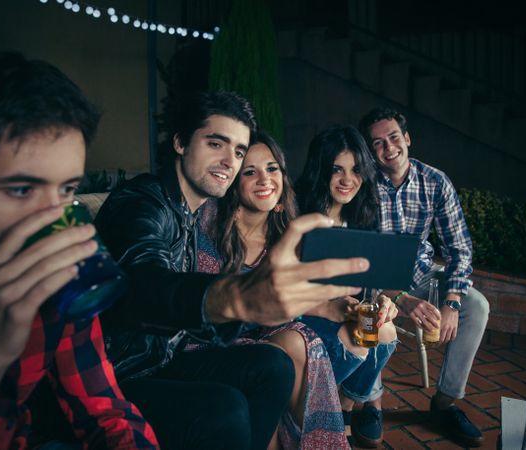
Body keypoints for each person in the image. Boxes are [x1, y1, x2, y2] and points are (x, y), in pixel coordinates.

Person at [94, 92, 368, 450]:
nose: (229, 161)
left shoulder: (193, 214)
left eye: (238, 151)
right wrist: (235, 297)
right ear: (180, 142)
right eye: (215, 144)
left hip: (164, 357)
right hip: (118, 372)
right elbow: (145, 284)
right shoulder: (143, 202)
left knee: (275, 365)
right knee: (226, 407)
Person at [0, 51, 158, 449]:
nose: (55, 223)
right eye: (21, 189)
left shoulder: (59, 285)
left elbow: (106, 411)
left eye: (67, 190)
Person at [195, 129, 349, 448]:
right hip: (206, 342)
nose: (264, 179)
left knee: (303, 339)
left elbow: (287, 302)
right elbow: (203, 312)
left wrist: (334, 307)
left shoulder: (285, 240)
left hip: (261, 338)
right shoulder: (209, 228)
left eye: (272, 168)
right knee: (285, 352)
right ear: (234, 183)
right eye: (250, 171)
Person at [358, 107, 490, 448]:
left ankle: (445, 402)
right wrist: (399, 298)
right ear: (370, 151)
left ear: (407, 139)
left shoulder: (435, 181)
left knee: (476, 306)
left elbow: (459, 249)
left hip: (423, 274)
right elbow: (359, 259)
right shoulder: (361, 186)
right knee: (366, 310)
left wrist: (451, 301)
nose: (388, 148)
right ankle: (371, 403)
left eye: (393, 138)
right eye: (377, 144)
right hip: (376, 281)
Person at [294, 125, 400, 448]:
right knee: (355, 341)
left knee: (386, 332)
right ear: (321, 170)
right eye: (337, 169)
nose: (347, 179)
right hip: (303, 311)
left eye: (355, 170)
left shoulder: (359, 218)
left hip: (342, 310)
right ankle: (313, 412)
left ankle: (344, 407)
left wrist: (383, 302)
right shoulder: (300, 212)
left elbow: (367, 285)